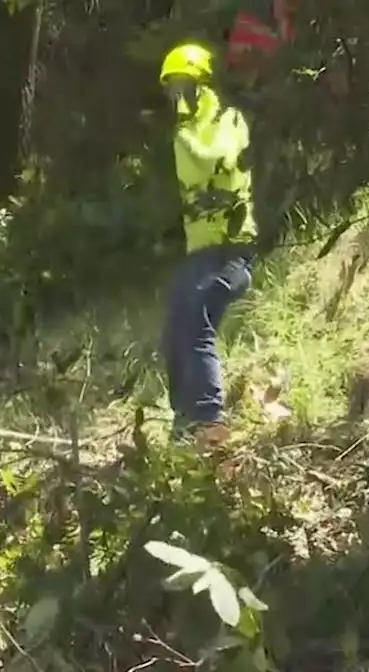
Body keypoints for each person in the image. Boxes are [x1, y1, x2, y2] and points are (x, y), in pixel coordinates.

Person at [158, 42, 257, 445]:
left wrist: (186, 136)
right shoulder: (185, 133)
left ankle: (208, 419)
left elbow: (217, 157)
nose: (176, 96)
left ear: (201, 85)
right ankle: (183, 426)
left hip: (232, 251)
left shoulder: (228, 120)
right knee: (173, 330)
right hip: (201, 254)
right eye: (171, 89)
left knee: (196, 316)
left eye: (182, 86)